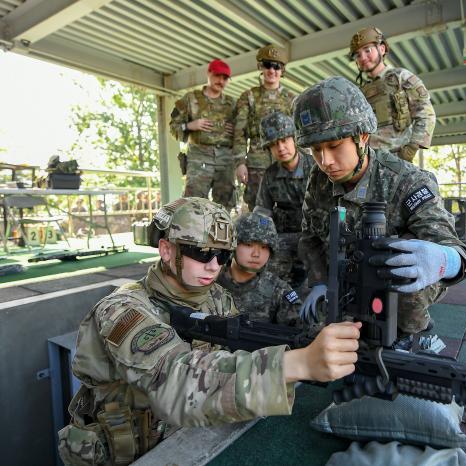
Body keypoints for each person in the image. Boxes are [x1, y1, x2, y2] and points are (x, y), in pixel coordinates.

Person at [58, 197, 361, 465]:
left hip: (183, 439)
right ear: (166, 250)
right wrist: (296, 364)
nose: (214, 266)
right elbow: (176, 379)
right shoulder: (123, 309)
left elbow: (226, 360)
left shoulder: (216, 298)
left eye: (223, 255)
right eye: (202, 252)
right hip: (126, 453)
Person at [294, 76, 466, 335]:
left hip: (392, 282)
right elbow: (311, 237)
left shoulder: (407, 181)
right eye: (315, 150)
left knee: (402, 291)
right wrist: (319, 282)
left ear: (362, 137)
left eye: (334, 146)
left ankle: (415, 333)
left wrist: (445, 260)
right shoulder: (319, 179)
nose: (325, 161)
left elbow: (456, 250)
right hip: (345, 275)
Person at [349, 27, 436, 163]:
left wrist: (410, 150)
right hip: (368, 162)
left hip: (397, 160)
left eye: (367, 50)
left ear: (382, 49)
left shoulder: (401, 78)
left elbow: (426, 114)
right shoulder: (360, 92)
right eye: (358, 55)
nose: (363, 58)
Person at [233, 45, 296, 211]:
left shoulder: (291, 99)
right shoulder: (249, 97)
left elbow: (299, 134)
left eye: (276, 66)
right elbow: (239, 132)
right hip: (256, 164)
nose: (272, 70)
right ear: (261, 67)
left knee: (289, 205)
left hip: (286, 162)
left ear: (282, 70)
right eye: (267, 65)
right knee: (258, 207)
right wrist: (240, 163)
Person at [169, 58, 237, 211]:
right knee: (194, 203)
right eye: (218, 75)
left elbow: (242, 131)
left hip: (225, 159)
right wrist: (189, 125)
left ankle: (221, 234)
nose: (221, 81)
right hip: (199, 158)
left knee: (225, 204)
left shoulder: (232, 104)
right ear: (209, 74)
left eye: (225, 78)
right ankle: (193, 234)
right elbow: (173, 127)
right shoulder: (190, 99)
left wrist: (236, 131)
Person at [254, 111, 313, 286]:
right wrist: (263, 235)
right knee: (272, 281)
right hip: (284, 239)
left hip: (315, 238)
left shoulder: (316, 168)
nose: (280, 147)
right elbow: (262, 211)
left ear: (294, 139)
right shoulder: (270, 175)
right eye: (274, 144)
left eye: (284, 140)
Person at [218, 211, 300, 326]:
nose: (256, 254)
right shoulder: (210, 280)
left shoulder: (279, 291)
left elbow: (299, 330)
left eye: (264, 247)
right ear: (233, 244)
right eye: (248, 245)